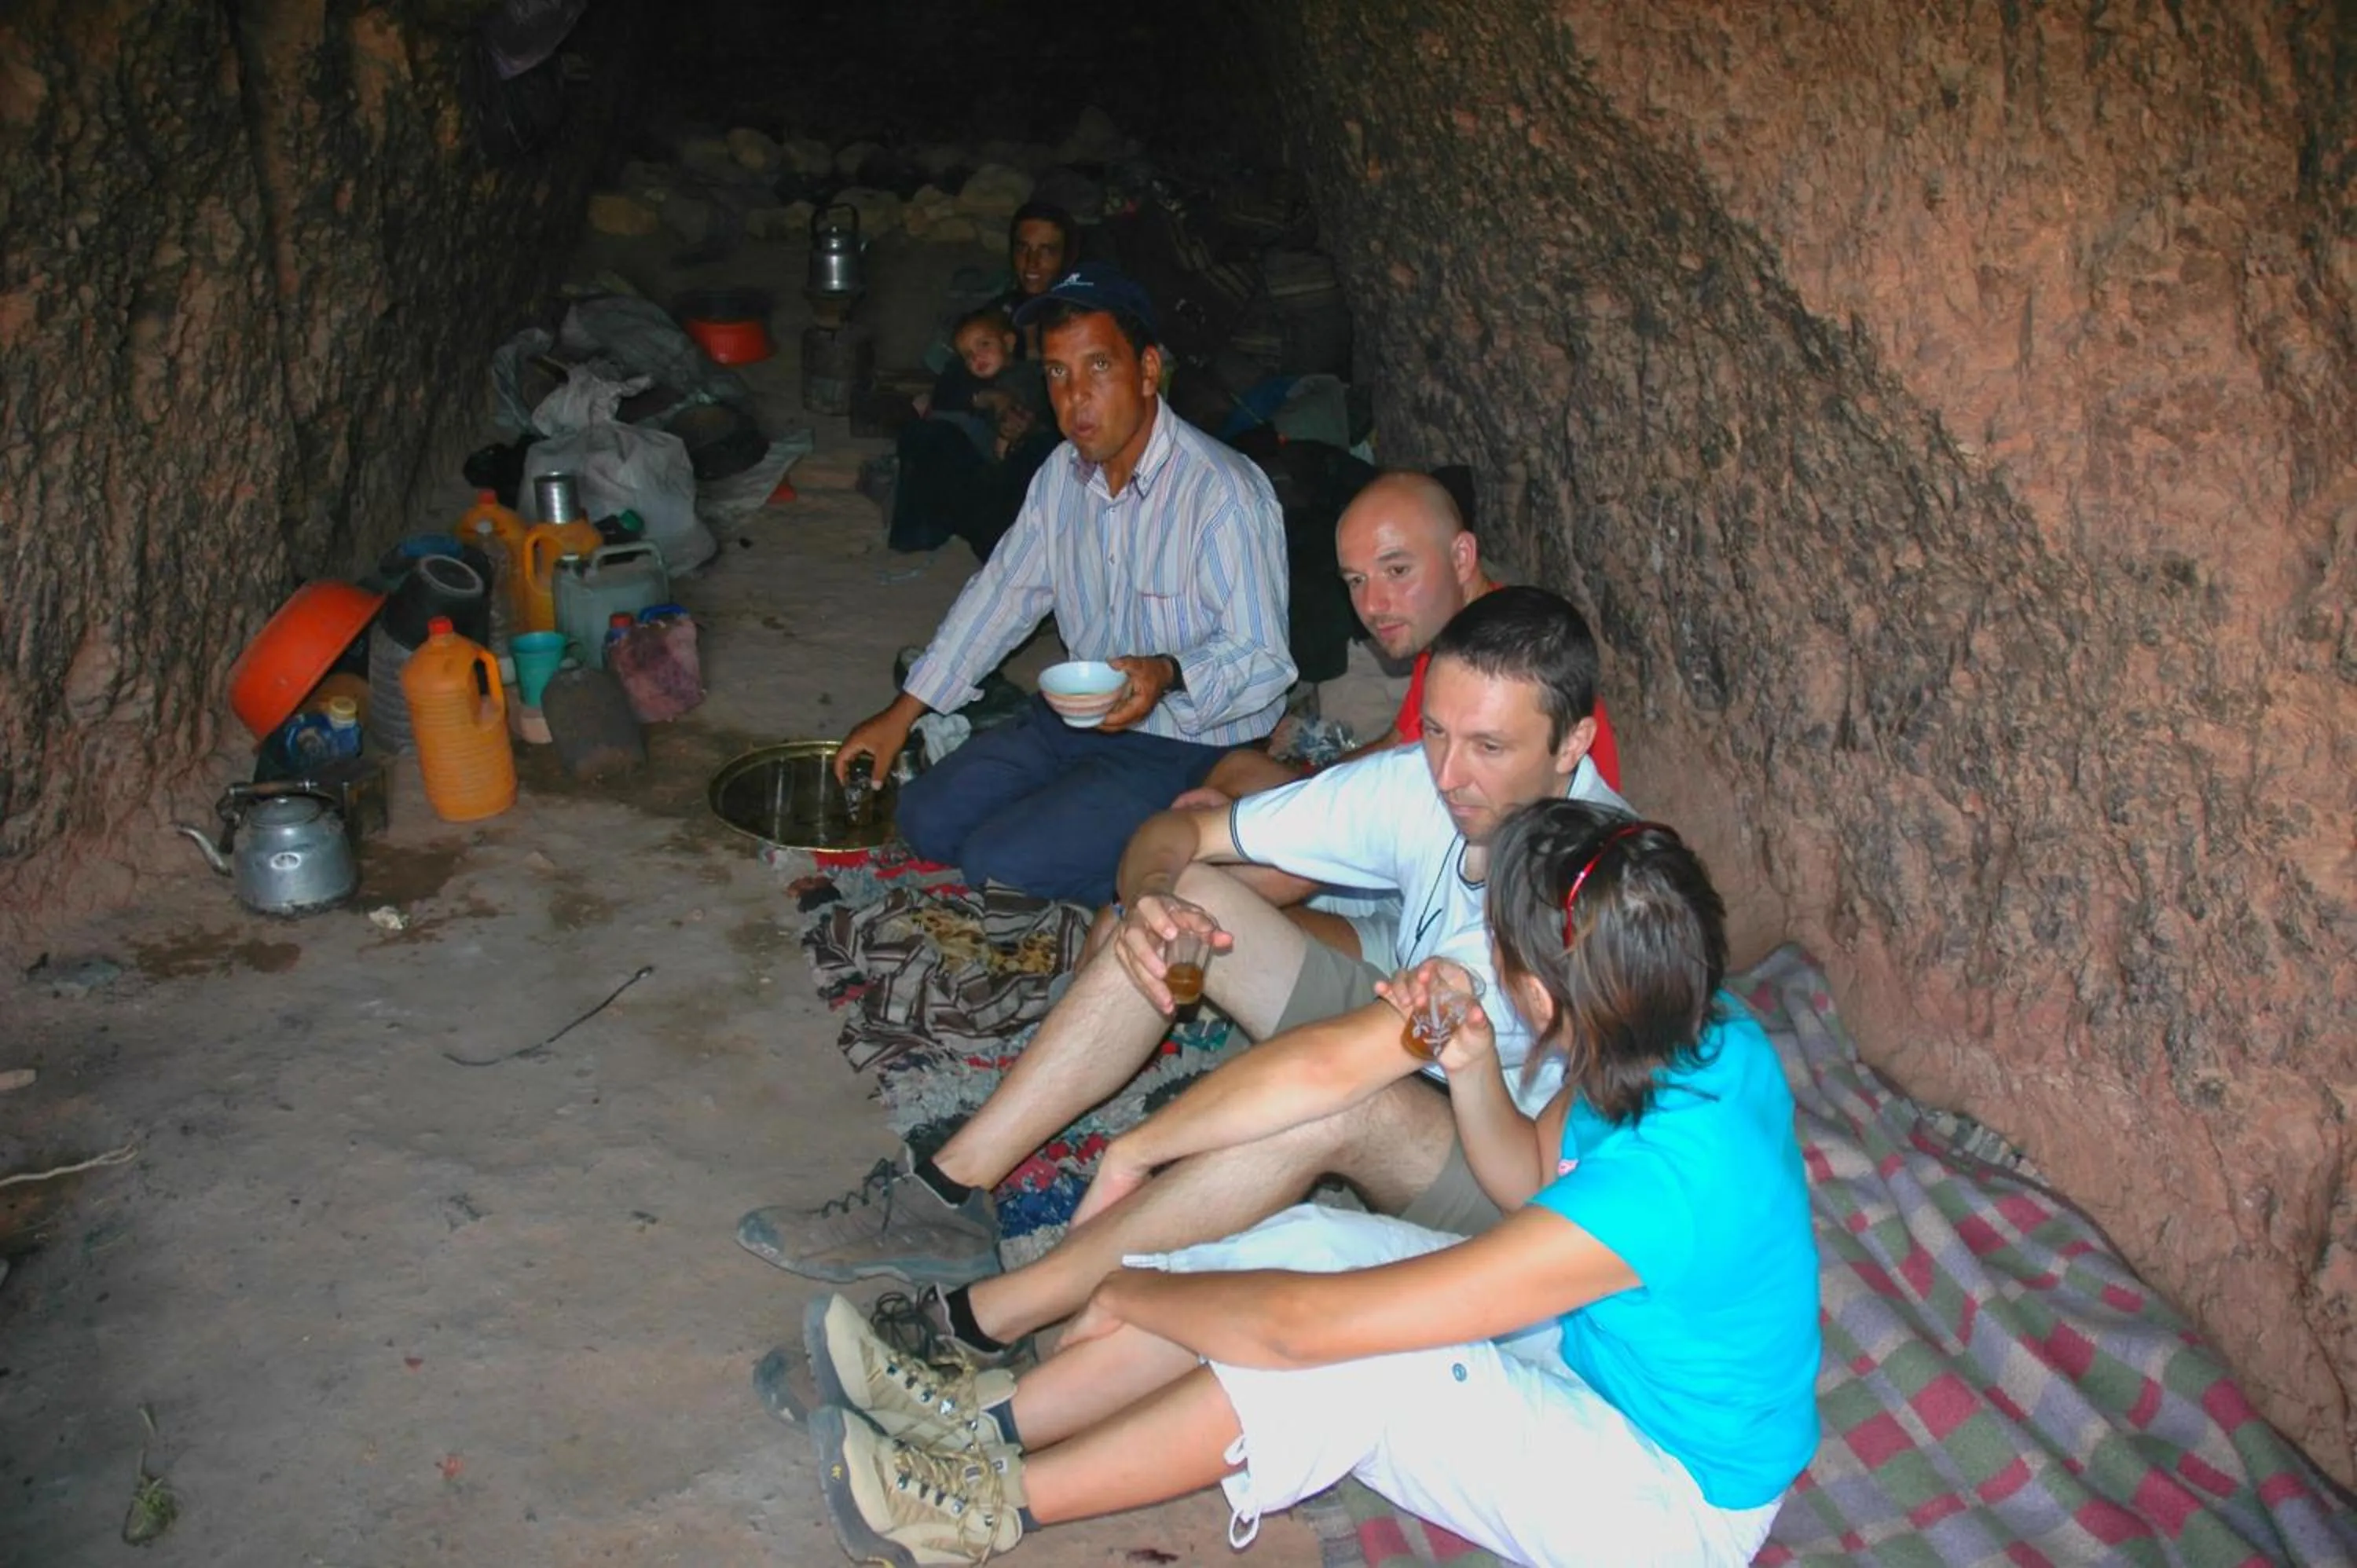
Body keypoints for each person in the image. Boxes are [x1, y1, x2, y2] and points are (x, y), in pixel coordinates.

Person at [798, 799, 1823, 1566]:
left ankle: (986, 1502)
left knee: (1347, 1363)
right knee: (1308, 1245)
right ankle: (987, 1417)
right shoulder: (1679, 1025)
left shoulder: (1657, 1194)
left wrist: (1132, 1288)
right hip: (1604, 1348)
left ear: (1544, 992)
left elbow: (1299, 1331)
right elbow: (1523, 1181)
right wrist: (1468, 1064)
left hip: (1665, 1499)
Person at [749, 588, 1626, 1352]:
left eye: (1488, 748)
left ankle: (988, 1322)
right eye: (1434, 731)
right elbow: (1182, 836)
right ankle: (947, 1190)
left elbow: (1332, 1068)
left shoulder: (1580, 882)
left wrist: (1141, 1149)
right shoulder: (1419, 781)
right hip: (1415, 1030)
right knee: (1194, 899)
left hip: (1509, 1173)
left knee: (1320, 1107)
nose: (1449, 773)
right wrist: (1150, 900)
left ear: (1573, 742)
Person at [836, 262, 1294, 903]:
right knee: (923, 819)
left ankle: (1190, 860)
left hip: (1182, 744)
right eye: (1057, 372)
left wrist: (1167, 672)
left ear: (1148, 370)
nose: (1075, 396)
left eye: (1099, 366)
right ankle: (1092, 823)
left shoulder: (1222, 493)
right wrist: (902, 714)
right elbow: (1001, 596)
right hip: (1073, 720)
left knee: (996, 864)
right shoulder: (1060, 476)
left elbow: (1265, 659)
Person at [891, 204, 1082, 558]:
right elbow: (949, 384)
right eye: (1024, 248)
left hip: (1046, 448)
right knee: (924, 436)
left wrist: (1030, 422)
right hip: (988, 441)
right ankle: (928, 531)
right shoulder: (998, 313)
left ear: (1066, 259)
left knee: (1039, 463)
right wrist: (990, 399)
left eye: (1046, 251)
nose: (1032, 262)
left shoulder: (1081, 319)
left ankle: (1003, 541)